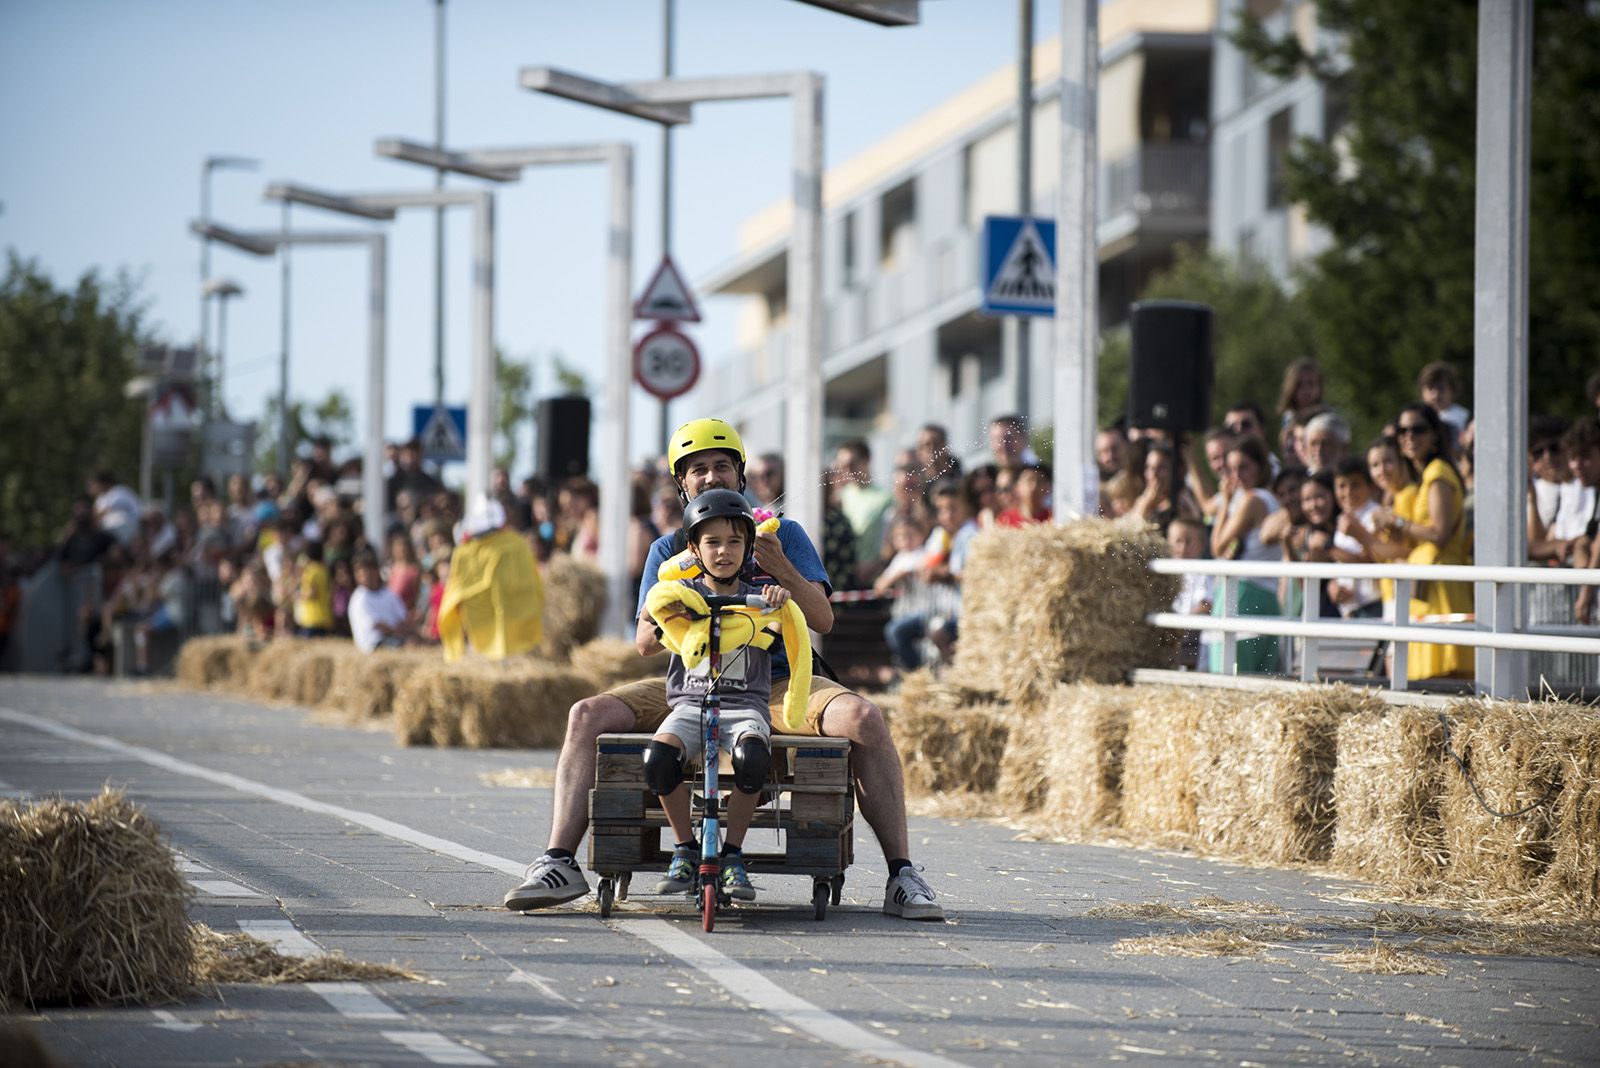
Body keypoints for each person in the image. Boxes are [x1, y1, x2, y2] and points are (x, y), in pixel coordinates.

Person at [504, 417, 942, 921]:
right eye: (698, 470)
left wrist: (781, 568)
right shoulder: (670, 548)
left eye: (721, 466)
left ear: (740, 474)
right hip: (691, 682)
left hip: (775, 680)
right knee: (585, 714)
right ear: (681, 483)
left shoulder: (784, 533)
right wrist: (688, 579)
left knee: (865, 718)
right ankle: (558, 861)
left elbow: (822, 618)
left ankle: (902, 875)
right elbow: (644, 642)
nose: (711, 476)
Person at [641, 490, 791, 902]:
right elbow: (651, 624)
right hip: (690, 703)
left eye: (734, 542)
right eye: (712, 542)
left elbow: (787, 626)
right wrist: (669, 603)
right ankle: (686, 847)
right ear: (693, 549)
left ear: (748, 548)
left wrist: (780, 600)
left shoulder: (761, 597)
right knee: (658, 759)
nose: (724, 551)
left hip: (744, 706)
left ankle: (732, 854)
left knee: (753, 758)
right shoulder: (680, 593)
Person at [1377, 404, 1473, 678]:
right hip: (1427, 584)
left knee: (1444, 679)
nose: (1409, 436)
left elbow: (1439, 533)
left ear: (1434, 435)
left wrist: (1397, 521)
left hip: (1441, 585)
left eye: (1418, 429)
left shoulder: (1438, 472)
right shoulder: (1427, 475)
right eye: (1402, 431)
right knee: (1422, 682)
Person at [1209, 436, 1282, 674]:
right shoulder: (1272, 500)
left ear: (1260, 467)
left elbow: (1218, 546)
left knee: (1228, 676)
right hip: (1267, 596)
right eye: (1231, 469)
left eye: (1244, 467)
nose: (1236, 476)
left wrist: (1225, 503)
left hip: (1243, 595)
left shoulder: (1252, 500)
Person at [1165, 516, 1212, 670]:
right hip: (1170, 630)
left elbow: (1205, 604)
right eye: (1178, 541)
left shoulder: (1203, 572)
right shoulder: (1164, 571)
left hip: (1192, 633)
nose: (1183, 548)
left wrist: (1181, 622)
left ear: (1202, 546)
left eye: (1189, 542)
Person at [349, 551, 410, 652]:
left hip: (395, 637)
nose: (366, 576)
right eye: (361, 573)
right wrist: (397, 631)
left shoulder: (388, 594)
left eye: (369, 572)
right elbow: (376, 625)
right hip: (374, 644)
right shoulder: (359, 598)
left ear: (377, 571)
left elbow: (403, 618)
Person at [293, 541, 334, 638]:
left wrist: (297, 595)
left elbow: (312, 593)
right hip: (324, 617)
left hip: (311, 618)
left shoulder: (310, 571)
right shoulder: (324, 570)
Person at [996, 462, 1052, 527]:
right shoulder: (1005, 520)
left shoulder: (1052, 518)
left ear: (1048, 488)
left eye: (1039, 481)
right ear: (1017, 487)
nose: (1034, 486)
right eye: (1029, 480)